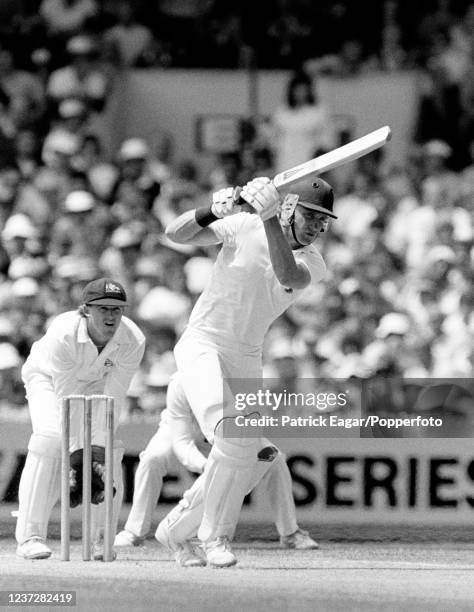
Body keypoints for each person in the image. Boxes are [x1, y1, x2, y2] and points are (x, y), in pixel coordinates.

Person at [156, 174, 336, 567]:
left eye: (323, 220)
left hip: (246, 355)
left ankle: (175, 530)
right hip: (202, 342)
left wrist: (269, 216)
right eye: (310, 215)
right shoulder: (244, 224)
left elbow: (287, 274)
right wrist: (211, 211)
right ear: (290, 207)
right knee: (230, 434)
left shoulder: (313, 262)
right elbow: (175, 234)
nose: (317, 226)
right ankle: (214, 537)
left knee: (259, 455)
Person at [114, 373, 318, 566]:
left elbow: (252, 428)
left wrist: (229, 467)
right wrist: (207, 467)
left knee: (273, 457)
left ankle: (290, 533)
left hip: (225, 432)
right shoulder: (181, 382)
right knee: (152, 458)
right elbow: (182, 442)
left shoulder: (240, 375)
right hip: (183, 430)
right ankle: (135, 531)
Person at [15, 277, 146, 559]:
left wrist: (96, 453)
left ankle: (101, 540)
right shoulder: (65, 333)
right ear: (85, 309)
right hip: (47, 380)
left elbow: (115, 397)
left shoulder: (133, 339)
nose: (111, 316)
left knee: (109, 451)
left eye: (117, 309)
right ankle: (30, 537)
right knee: (50, 441)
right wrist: (76, 458)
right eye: (103, 309)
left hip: (98, 385)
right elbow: (67, 400)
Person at [271, 70, 336, 173]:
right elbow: (274, 137)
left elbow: (327, 138)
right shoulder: (282, 112)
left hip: (309, 161)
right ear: (291, 91)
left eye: (303, 90)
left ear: (309, 91)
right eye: (297, 90)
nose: (300, 94)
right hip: (285, 161)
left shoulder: (318, 112)